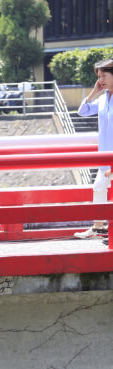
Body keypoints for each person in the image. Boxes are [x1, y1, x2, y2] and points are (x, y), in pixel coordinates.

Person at [75, 58, 113, 240]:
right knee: (99, 187)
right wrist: (94, 93)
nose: (100, 80)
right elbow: (82, 111)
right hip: (104, 157)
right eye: (99, 76)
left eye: (104, 75)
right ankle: (99, 228)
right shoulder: (103, 99)